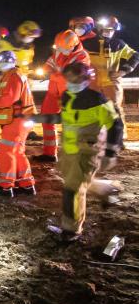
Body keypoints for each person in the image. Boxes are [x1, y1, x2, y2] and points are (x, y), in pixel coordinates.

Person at [34, 62, 123, 242]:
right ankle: (106, 188)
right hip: (69, 150)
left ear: (86, 79)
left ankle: (71, 230)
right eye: (69, 79)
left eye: (76, 79)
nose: (72, 83)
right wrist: (39, 117)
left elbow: (115, 125)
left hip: (87, 151)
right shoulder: (67, 96)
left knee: (72, 190)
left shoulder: (98, 100)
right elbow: (65, 116)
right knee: (75, 181)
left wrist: (110, 153)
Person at [36, 20, 95, 161]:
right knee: (46, 118)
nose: (60, 52)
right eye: (58, 48)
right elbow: (50, 62)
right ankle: (49, 153)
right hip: (53, 91)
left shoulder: (82, 57)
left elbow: (71, 75)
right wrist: (45, 70)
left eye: (63, 49)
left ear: (73, 45)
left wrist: (53, 75)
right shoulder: (60, 50)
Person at [0, 21, 41, 135]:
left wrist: (30, 77)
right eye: (29, 36)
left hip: (20, 78)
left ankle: (28, 130)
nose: (30, 39)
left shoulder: (29, 48)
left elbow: (28, 63)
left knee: (25, 104)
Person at [0, 50, 37, 196]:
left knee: (6, 152)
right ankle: (27, 185)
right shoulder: (13, 75)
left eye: (5, 60)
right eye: (0, 61)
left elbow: (10, 98)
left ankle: (6, 187)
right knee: (17, 152)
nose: (2, 63)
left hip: (17, 120)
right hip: (21, 119)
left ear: (12, 61)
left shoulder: (13, 76)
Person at [86, 15, 137, 138]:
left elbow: (135, 56)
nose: (109, 32)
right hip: (94, 83)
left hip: (112, 82)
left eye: (111, 30)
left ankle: (118, 138)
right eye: (106, 29)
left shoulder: (118, 44)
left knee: (115, 109)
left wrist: (123, 71)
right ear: (99, 29)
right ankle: (94, 137)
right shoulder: (88, 44)